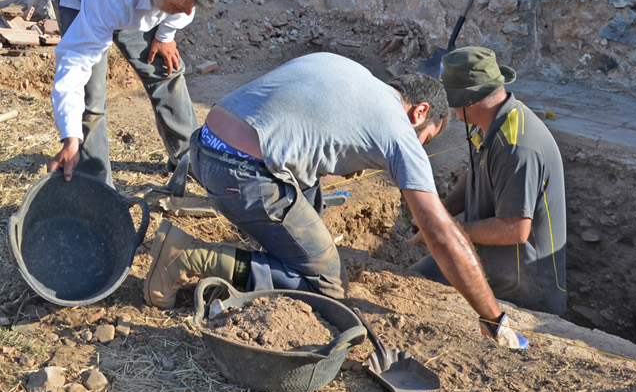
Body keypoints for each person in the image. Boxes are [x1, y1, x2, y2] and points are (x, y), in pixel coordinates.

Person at [143, 52, 528, 348]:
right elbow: (441, 233)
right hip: (239, 172)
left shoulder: (346, 69)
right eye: (425, 138)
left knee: (310, 210)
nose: (420, 147)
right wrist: (491, 315)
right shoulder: (397, 132)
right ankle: (186, 256)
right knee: (326, 285)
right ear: (419, 112)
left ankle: (273, 256)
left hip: (204, 147)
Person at [43, 0, 217, 186]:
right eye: (178, 6)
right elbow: (75, 60)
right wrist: (70, 136)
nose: (187, 13)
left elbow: (185, 8)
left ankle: (188, 159)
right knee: (91, 94)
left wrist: (165, 34)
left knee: (165, 70)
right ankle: (96, 183)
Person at [410, 47, 567, 316]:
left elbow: (515, 229)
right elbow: (478, 173)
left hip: (523, 290)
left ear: (471, 100)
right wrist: (442, 212)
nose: (450, 108)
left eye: (453, 99)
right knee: (411, 284)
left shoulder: (516, 148)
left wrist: (446, 232)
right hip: (484, 260)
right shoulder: (489, 122)